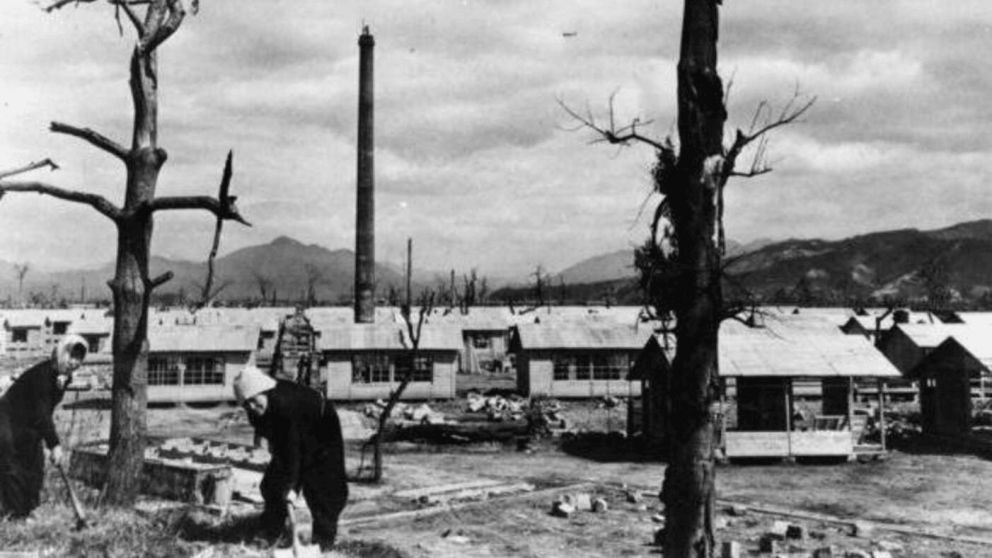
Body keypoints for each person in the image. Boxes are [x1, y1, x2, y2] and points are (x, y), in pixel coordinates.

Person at [234, 365, 348, 550]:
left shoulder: (286, 405)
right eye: (247, 404)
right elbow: (278, 443)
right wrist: (285, 483)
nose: (252, 407)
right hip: (292, 435)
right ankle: (270, 531)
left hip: (321, 428)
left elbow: (295, 452)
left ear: (265, 391)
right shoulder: (256, 410)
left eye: (254, 401)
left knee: (323, 490)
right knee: (272, 485)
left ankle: (323, 541)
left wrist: (292, 487)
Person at [0, 334, 88, 519]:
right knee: (12, 466)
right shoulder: (43, 375)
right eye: (72, 356)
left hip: (28, 422)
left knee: (35, 466)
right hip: (6, 418)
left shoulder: (62, 377)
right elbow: (42, 413)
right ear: (62, 353)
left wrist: (47, 440)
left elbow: (43, 412)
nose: (75, 362)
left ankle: (28, 511)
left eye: (79, 358)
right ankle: (15, 516)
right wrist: (54, 444)